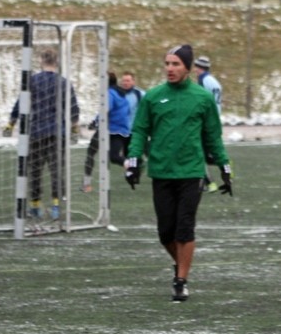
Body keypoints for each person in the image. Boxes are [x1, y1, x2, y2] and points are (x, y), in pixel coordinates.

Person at [124, 44, 233, 302]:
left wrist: (225, 167)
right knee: (165, 232)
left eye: (176, 64)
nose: (170, 69)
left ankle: (181, 280)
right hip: (161, 171)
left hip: (191, 172)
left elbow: (212, 136)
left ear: (187, 67)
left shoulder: (202, 98)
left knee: (185, 228)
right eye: (167, 64)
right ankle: (182, 264)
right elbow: (139, 130)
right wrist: (133, 160)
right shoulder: (153, 97)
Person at [4, 47, 80, 220]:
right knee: (56, 170)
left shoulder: (32, 81)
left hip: (36, 132)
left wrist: (10, 123)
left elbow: (20, 104)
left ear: (41, 61)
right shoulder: (64, 82)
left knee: (35, 170)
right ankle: (55, 206)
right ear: (57, 62)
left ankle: (35, 207)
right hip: (56, 133)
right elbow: (73, 108)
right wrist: (75, 128)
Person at [81, 71, 131, 193]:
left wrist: (96, 122)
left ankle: (87, 184)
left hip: (108, 129)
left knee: (91, 152)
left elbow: (105, 109)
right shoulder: (122, 94)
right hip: (122, 130)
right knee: (113, 157)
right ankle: (130, 164)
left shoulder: (109, 93)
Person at [193, 55, 224, 193]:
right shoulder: (213, 81)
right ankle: (224, 164)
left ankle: (209, 183)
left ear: (199, 68)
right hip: (214, 120)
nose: (194, 70)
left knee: (197, 152)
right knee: (206, 153)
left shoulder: (203, 81)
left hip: (206, 121)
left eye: (196, 67)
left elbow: (203, 101)